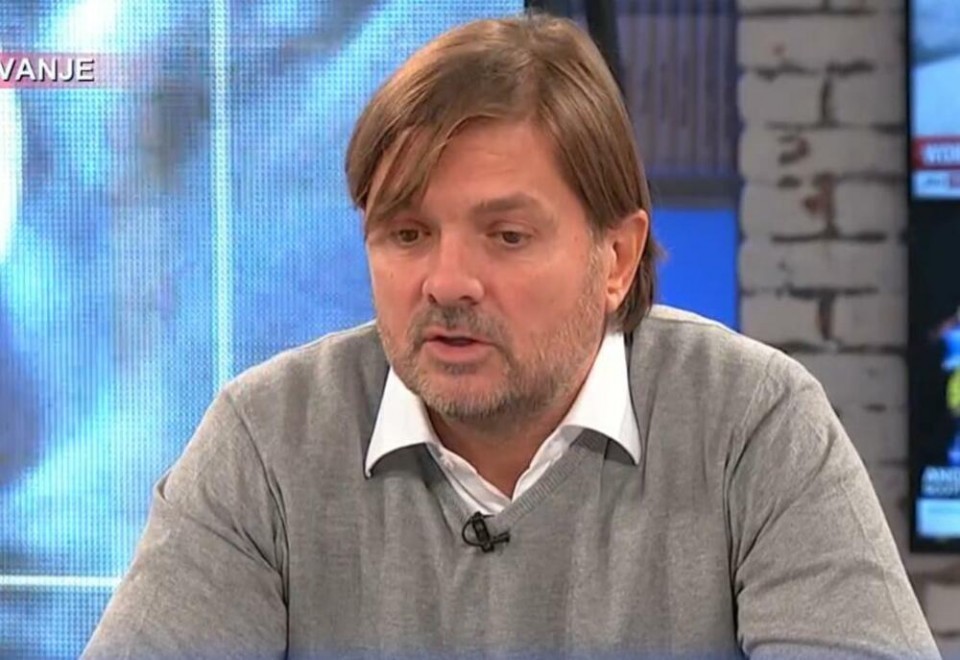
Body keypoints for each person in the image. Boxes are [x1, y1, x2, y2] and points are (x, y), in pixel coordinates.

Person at [84, 12, 940, 659]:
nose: (447, 281)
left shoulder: (753, 422)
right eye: (408, 233)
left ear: (616, 257)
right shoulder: (268, 437)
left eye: (507, 236)